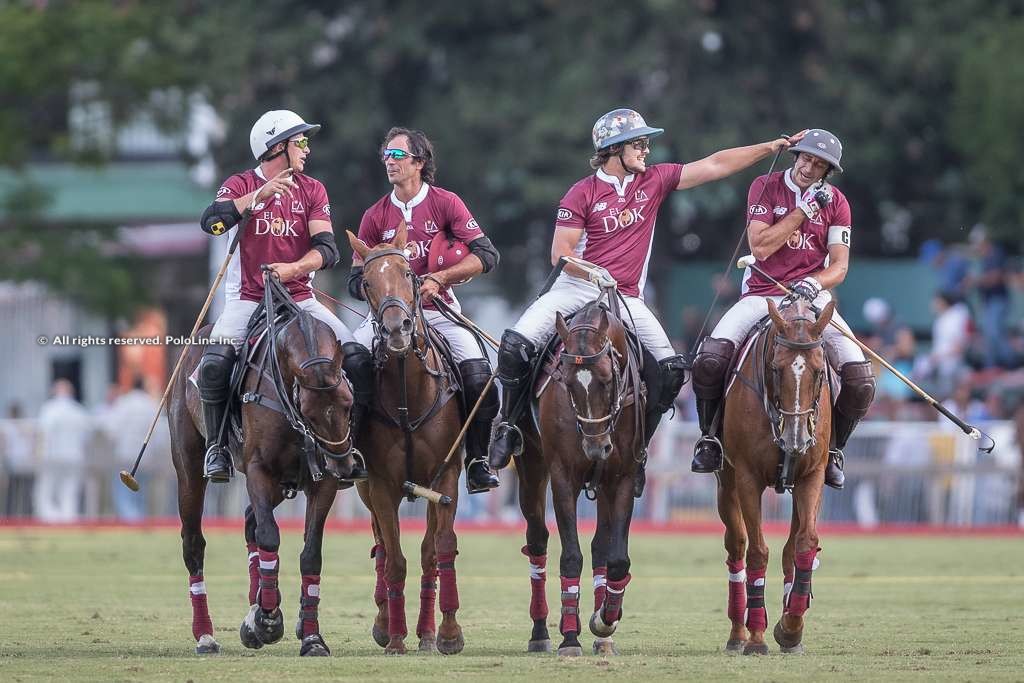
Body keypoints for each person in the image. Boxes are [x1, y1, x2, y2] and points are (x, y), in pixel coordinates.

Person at [487, 108, 801, 490]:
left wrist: (770, 147)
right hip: (575, 289)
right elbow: (560, 255)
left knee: (671, 372)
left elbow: (715, 165)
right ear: (613, 149)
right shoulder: (581, 192)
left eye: (645, 143)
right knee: (514, 346)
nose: (646, 149)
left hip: (626, 296)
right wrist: (591, 272)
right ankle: (508, 425)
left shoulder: (654, 180)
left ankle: (637, 451)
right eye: (638, 143)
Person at [690, 129, 875, 490]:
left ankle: (834, 449)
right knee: (710, 359)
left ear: (827, 171)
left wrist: (816, 282)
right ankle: (709, 438)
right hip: (763, 294)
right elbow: (760, 247)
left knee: (860, 378)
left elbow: (839, 266)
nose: (809, 167)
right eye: (805, 158)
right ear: (796, 156)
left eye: (819, 164)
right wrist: (803, 211)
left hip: (812, 296)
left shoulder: (837, 202)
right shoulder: (765, 186)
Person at [197, 110, 369, 482]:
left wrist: (292, 270)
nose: (307, 149)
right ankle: (217, 448)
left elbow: (327, 250)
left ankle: (357, 442)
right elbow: (211, 222)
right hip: (248, 299)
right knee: (214, 364)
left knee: (357, 357)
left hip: (300, 298)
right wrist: (257, 197)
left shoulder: (312, 189)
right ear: (277, 147)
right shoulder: (239, 183)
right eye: (301, 142)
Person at [349, 127, 502, 494]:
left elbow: (487, 255)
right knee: (349, 362)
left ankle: (478, 460)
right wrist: (378, 283)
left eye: (398, 155)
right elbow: (354, 282)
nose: (390, 161)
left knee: (479, 375)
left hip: (438, 312)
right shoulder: (375, 216)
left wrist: (441, 277)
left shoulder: (446, 203)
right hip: (385, 319)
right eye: (386, 155)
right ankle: (351, 450)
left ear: (419, 162)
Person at [103, 377, 162, 520]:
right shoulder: (151, 405)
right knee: (140, 492)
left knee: (123, 493)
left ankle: (131, 521)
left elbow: (111, 430)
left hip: (125, 453)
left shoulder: (123, 403)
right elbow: (159, 433)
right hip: (145, 456)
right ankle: (139, 520)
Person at [33, 379, 92, 522]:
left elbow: (44, 433)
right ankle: (68, 519)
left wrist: (38, 454)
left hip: (53, 456)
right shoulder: (79, 410)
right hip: (74, 456)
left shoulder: (49, 408)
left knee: (47, 489)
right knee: (70, 491)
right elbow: (87, 436)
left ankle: (50, 520)